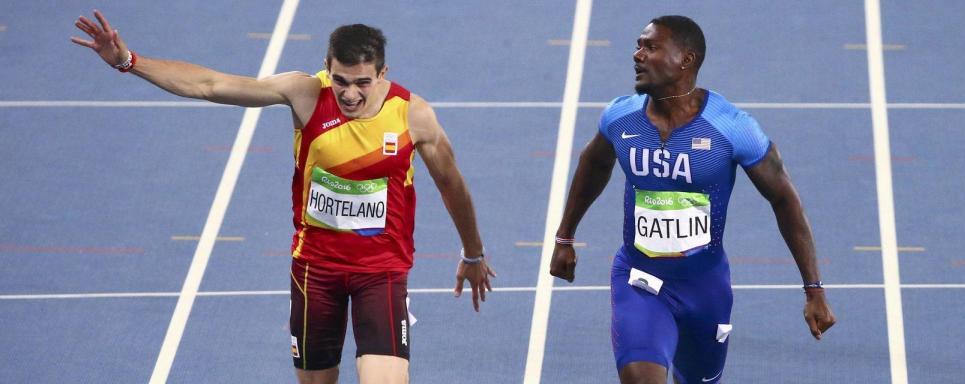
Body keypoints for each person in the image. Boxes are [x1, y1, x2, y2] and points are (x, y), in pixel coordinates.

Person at [72, 10, 496, 384]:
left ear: (383, 74)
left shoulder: (412, 114)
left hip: (380, 272)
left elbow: (450, 182)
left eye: (363, 83)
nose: (350, 95)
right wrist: (129, 62)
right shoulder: (305, 93)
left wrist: (473, 254)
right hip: (316, 272)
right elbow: (210, 84)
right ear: (326, 67)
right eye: (341, 81)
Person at [549, 15, 836, 384]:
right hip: (640, 278)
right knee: (640, 377)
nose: (637, 55)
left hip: (706, 289)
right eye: (638, 46)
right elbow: (594, 164)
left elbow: (784, 199)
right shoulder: (620, 117)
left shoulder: (732, 127)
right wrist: (564, 237)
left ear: (685, 59)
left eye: (650, 47)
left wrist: (813, 288)